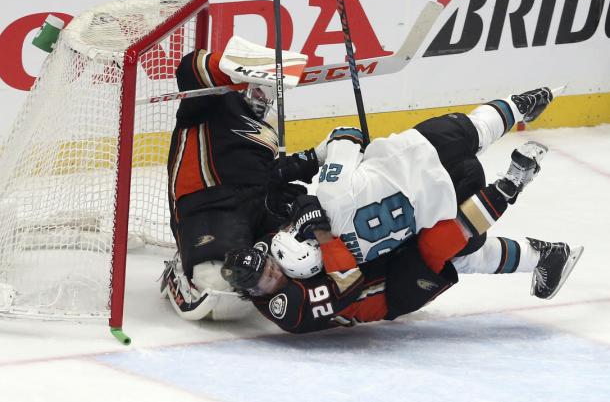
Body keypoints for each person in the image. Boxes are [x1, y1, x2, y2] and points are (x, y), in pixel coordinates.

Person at [268, 87, 564, 275]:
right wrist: (301, 163)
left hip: (454, 194)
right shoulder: (332, 194)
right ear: (296, 229)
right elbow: (347, 133)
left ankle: (517, 208)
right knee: (479, 127)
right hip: (426, 146)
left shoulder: (356, 263)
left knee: (462, 255)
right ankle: (519, 106)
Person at [220, 204, 583, 333]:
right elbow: (347, 280)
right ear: (253, 292)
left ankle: (547, 254)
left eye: (270, 266)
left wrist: (299, 207)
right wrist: (316, 227)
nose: (276, 273)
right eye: (269, 278)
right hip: (388, 292)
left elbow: (284, 229)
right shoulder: (289, 308)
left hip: (370, 263)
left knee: (439, 235)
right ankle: (542, 252)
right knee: (450, 251)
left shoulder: (266, 258)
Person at [160, 36, 307, 321]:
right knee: (221, 290)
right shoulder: (213, 100)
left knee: (304, 258)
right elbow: (189, 68)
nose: (266, 100)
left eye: (271, 94)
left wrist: (282, 185)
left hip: (252, 206)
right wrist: (236, 66)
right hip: (207, 204)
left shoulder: (269, 123)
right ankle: (183, 270)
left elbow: (262, 175)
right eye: (261, 91)